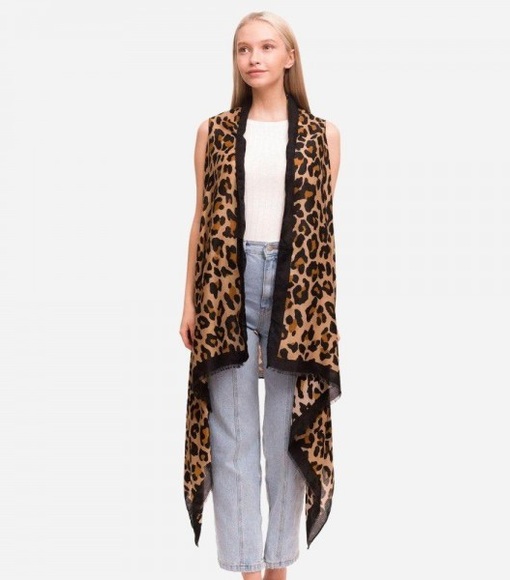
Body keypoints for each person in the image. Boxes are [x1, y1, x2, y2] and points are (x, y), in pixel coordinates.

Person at [180, 10, 342, 580]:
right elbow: (201, 220)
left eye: (267, 47)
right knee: (232, 441)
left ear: (289, 57)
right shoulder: (214, 132)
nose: (253, 58)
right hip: (226, 288)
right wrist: (189, 302)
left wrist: (322, 318)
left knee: (283, 439)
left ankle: (278, 567)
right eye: (243, 49)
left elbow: (318, 235)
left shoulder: (324, 136)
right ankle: (250, 570)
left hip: (297, 297)